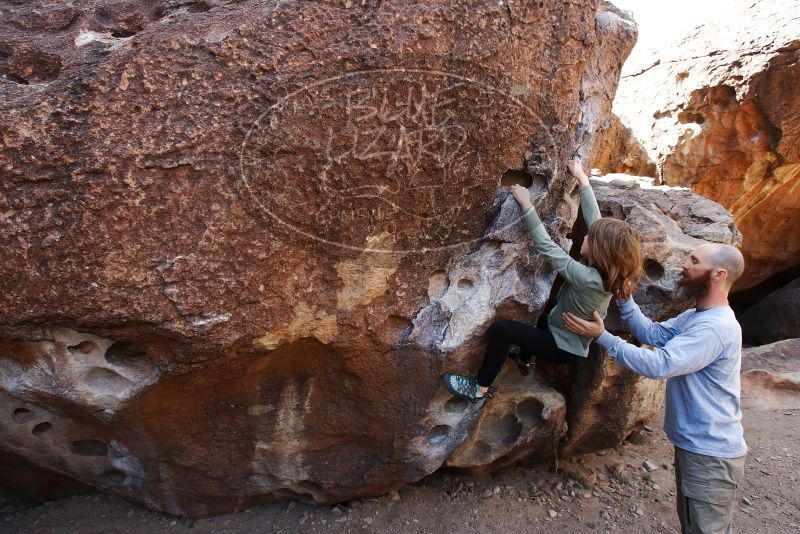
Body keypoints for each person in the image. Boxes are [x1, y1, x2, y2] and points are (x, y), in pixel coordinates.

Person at [562, 243, 747, 534]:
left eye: (695, 260)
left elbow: (660, 364)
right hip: (699, 448)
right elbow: (652, 333)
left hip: (711, 453)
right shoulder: (696, 317)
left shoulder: (715, 329)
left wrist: (603, 337)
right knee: (693, 523)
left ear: (718, 274)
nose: (685, 264)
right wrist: (624, 296)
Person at [442, 159, 643, 402]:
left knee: (502, 330)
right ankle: (525, 357)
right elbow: (595, 220)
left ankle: (480, 388)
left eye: (590, 237)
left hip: (560, 347)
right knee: (546, 315)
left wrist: (526, 204)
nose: (586, 235)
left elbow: (547, 247)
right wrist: (582, 179)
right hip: (563, 333)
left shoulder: (588, 278)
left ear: (602, 251)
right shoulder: (603, 271)